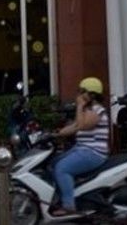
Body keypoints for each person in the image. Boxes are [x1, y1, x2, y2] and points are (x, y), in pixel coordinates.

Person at [48, 76, 110, 217]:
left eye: (82, 92)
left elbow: (82, 125)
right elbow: (75, 126)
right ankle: (68, 195)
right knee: (53, 163)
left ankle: (69, 206)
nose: (79, 95)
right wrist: (55, 134)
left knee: (62, 169)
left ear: (91, 94)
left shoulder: (97, 110)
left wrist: (80, 106)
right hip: (82, 149)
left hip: (93, 153)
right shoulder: (88, 110)